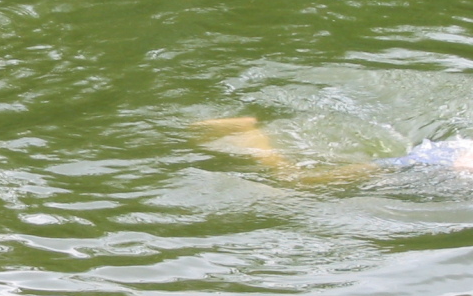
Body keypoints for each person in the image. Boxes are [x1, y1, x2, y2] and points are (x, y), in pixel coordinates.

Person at [194, 116, 473, 182]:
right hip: (431, 163)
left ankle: (247, 131)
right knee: (295, 182)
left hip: (440, 158)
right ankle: (246, 131)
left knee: (297, 179)